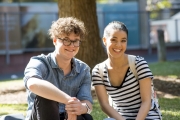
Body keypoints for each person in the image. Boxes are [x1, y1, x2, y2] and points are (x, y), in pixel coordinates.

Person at [23, 17, 93, 120]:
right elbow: (33, 84)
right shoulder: (39, 62)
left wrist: (80, 107)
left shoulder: (83, 69)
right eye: (66, 40)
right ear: (55, 40)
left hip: (68, 117)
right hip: (41, 116)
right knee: (46, 97)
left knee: (87, 117)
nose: (72, 45)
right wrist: (68, 100)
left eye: (76, 41)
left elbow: (87, 103)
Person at [92, 21, 162, 120]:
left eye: (123, 40)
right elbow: (104, 105)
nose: (118, 45)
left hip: (147, 117)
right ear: (104, 40)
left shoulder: (139, 63)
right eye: (114, 40)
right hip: (121, 118)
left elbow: (146, 102)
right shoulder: (98, 71)